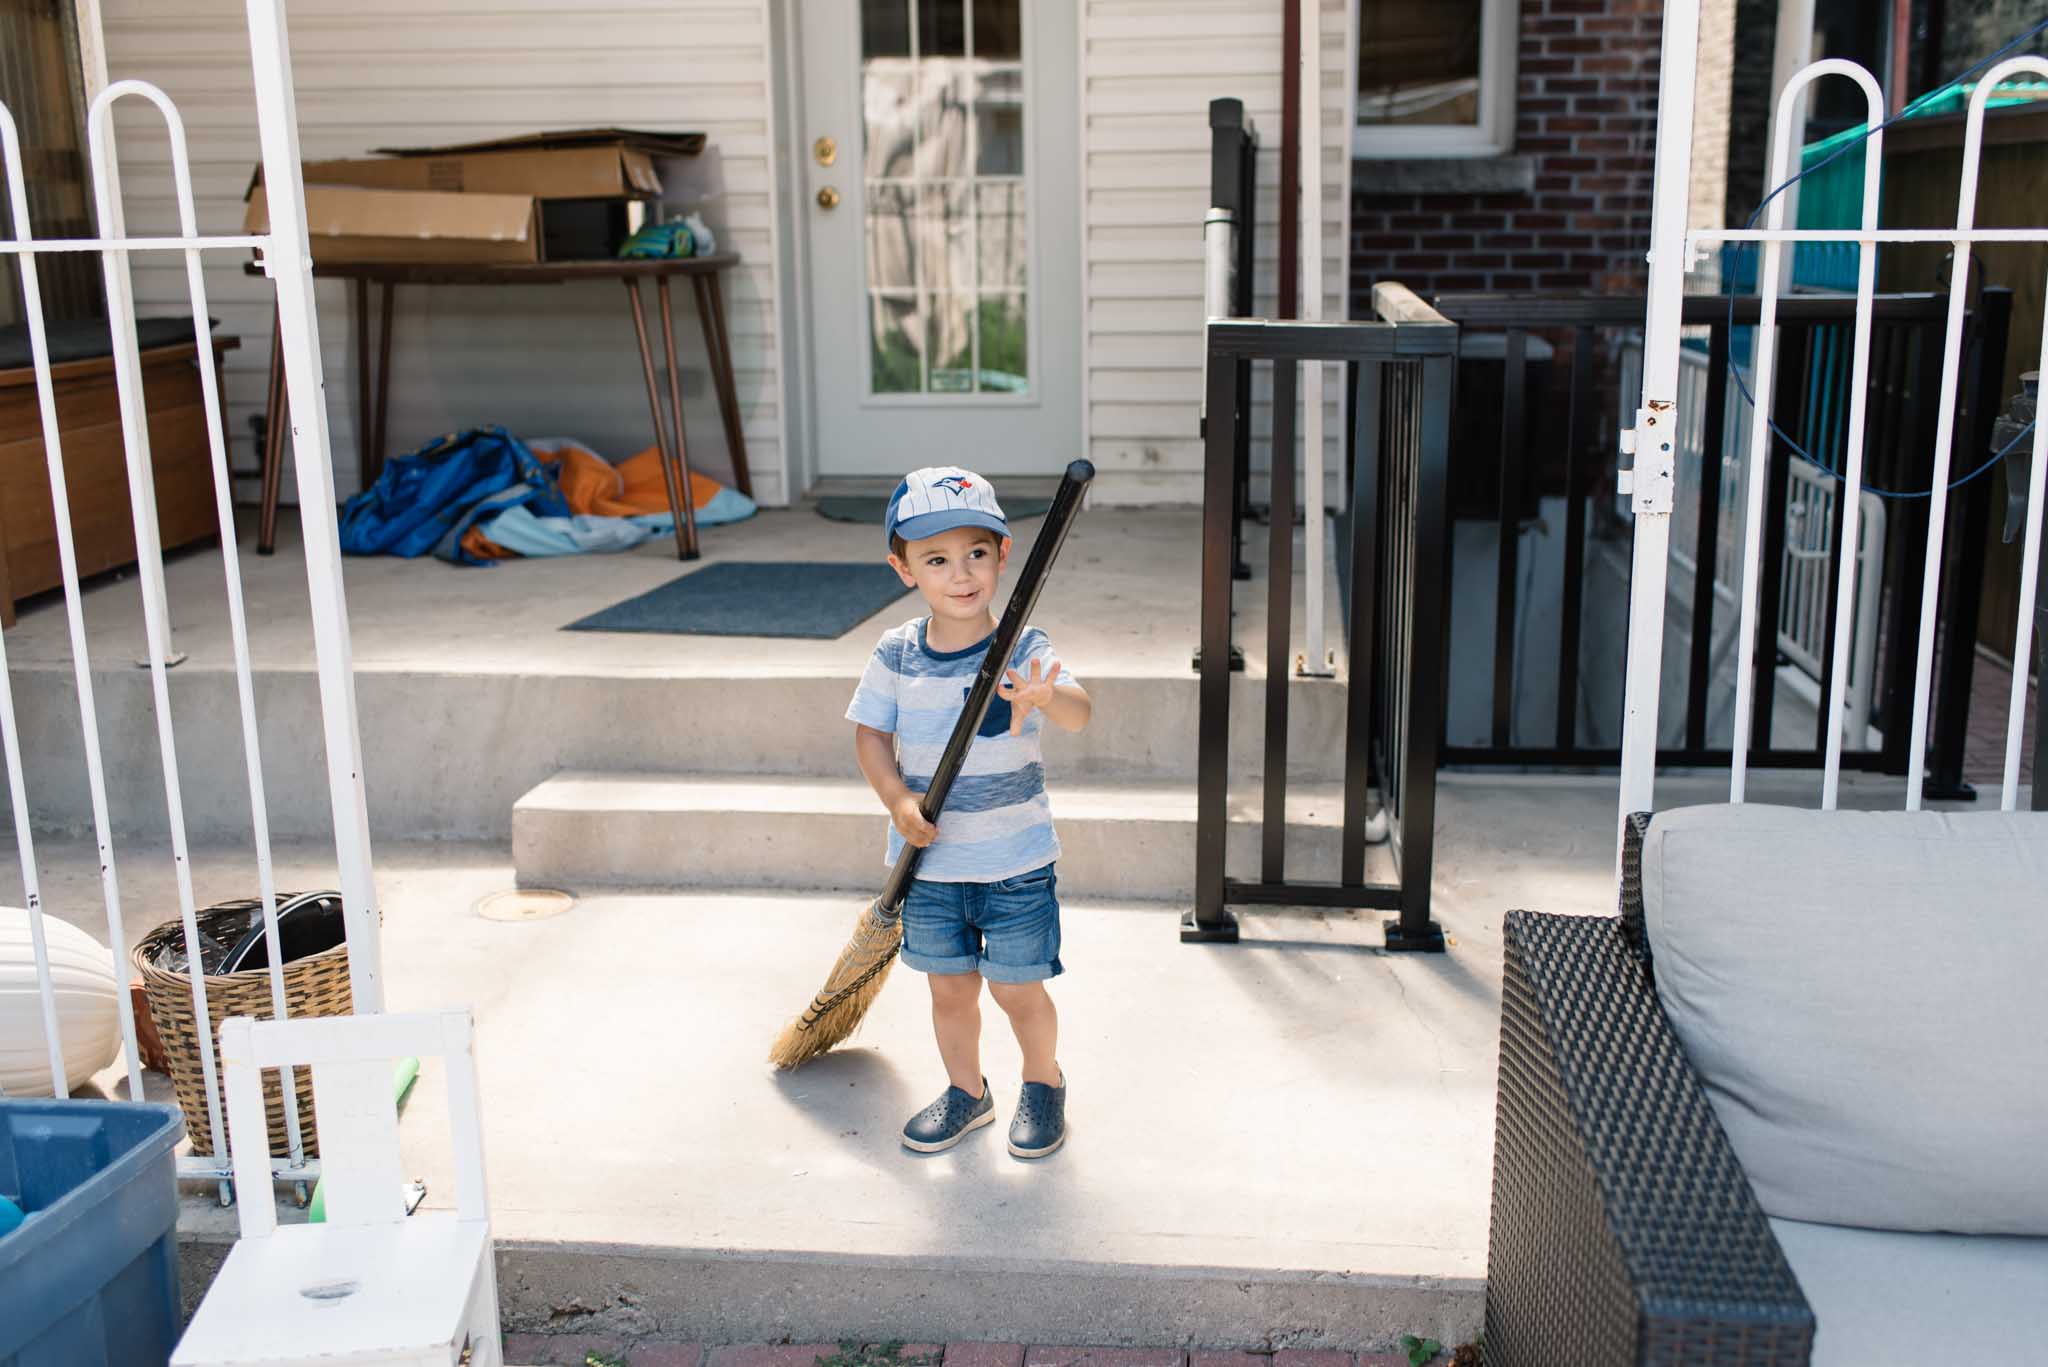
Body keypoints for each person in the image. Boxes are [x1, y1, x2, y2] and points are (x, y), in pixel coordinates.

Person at [845, 466, 1093, 1159]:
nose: (961, 574)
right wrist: (896, 799)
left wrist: (1046, 699)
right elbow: (869, 733)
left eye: (976, 554)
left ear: (1004, 553)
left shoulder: (1024, 649)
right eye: (937, 559)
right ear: (903, 569)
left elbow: (1079, 710)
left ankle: (1042, 1083)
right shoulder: (896, 654)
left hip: (1015, 864)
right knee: (951, 992)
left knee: (1019, 991)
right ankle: (966, 1090)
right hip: (931, 867)